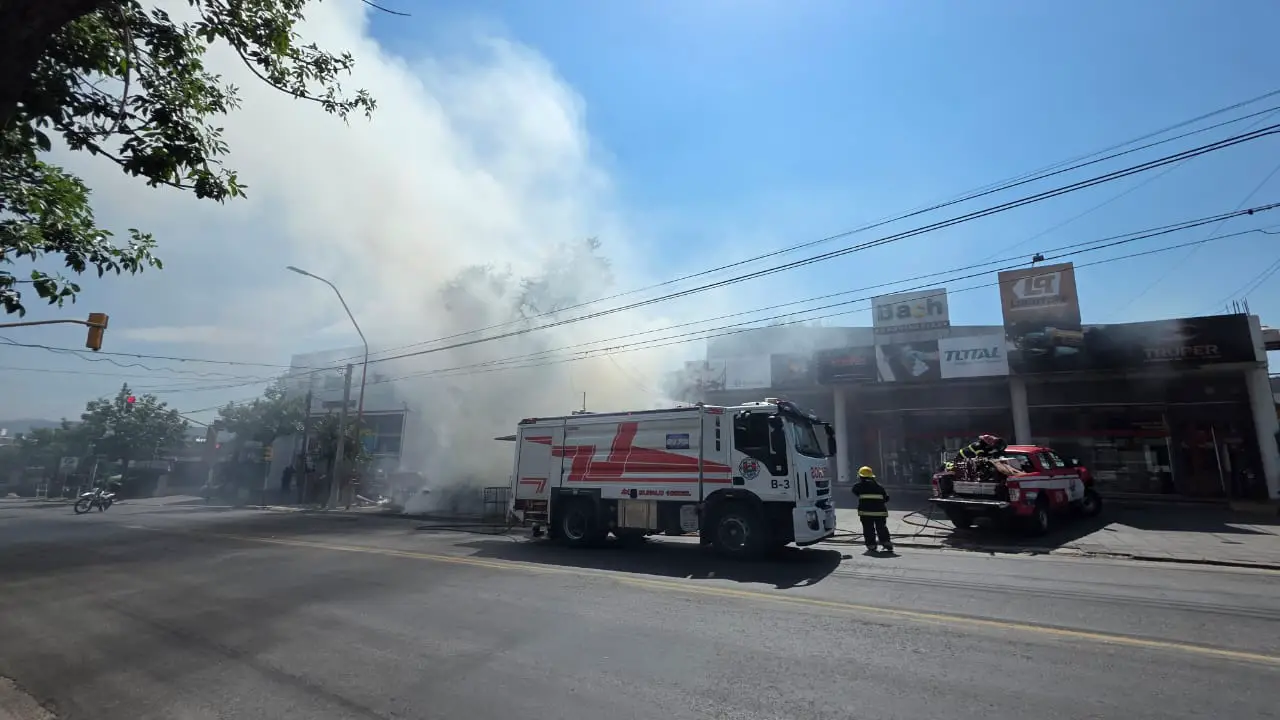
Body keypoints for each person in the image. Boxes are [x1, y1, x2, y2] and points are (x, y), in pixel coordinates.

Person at [851, 465, 893, 553]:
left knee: (868, 529)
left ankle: (871, 545)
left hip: (865, 513)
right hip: (880, 513)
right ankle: (886, 542)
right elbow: (886, 498)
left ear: (860, 477)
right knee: (881, 528)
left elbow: (854, 491)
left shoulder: (858, 486)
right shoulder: (879, 487)